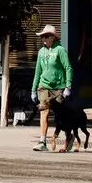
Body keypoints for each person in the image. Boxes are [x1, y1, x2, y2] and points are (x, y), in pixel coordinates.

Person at [32, 23, 73, 152]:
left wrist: (68, 86)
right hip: (44, 86)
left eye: (46, 36)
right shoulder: (41, 52)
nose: (43, 39)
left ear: (53, 38)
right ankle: (42, 141)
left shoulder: (60, 50)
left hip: (58, 87)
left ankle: (69, 137)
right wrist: (33, 89)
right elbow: (38, 71)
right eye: (42, 37)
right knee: (44, 112)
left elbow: (68, 68)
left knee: (60, 116)